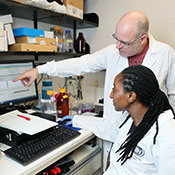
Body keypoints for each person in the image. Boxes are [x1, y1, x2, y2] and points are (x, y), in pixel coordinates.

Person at [13, 10, 175, 169]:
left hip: (150, 135)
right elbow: (81, 64)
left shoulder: (165, 54)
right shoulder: (113, 51)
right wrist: (40, 70)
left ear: (142, 39)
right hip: (118, 131)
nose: (117, 46)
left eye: (124, 43)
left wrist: (165, 129)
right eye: (116, 39)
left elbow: (173, 96)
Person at [70, 65, 175, 174]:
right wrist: (76, 120)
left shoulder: (167, 134)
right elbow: (111, 129)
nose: (111, 95)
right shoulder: (129, 118)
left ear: (131, 96)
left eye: (114, 90)